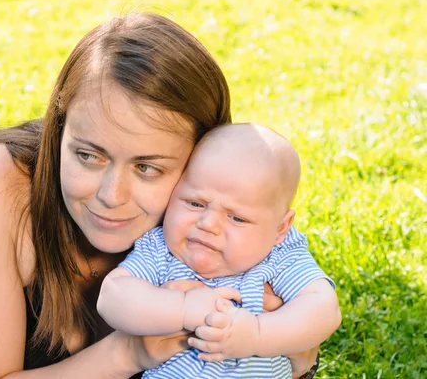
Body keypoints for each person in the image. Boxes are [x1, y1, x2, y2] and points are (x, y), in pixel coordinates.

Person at [0, 12, 320, 378]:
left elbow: (295, 349)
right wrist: (127, 353)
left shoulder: (214, 212)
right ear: (57, 132)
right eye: (89, 155)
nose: (112, 195)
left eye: (147, 167)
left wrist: (285, 342)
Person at [97, 123, 341, 378]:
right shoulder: (160, 249)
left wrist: (257, 334)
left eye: (237, 218)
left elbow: (324, 308)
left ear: (280, 228)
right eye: (195, 203)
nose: (208, 224)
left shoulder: (280, 255)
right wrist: (183, 309)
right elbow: (112, 296)